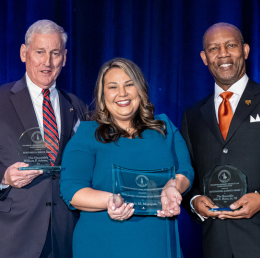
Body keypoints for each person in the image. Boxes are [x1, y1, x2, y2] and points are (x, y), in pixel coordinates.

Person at [60, 57, 194, 258]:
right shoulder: (88, 133)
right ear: (103, 95)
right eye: (113, 87)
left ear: (140, 89)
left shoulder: (164, 128)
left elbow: (185, 171)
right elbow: (72, 190)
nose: (122, 93)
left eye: (129, 84)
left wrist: (175, 186)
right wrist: (110, 200)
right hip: (102, 245)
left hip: (158, 244)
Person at [0, 20, 86, 258]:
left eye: (55, 53)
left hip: (64, 236)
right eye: (40, 52)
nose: (47, 62)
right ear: (24, 53)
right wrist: (4, 177)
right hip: (13, 234)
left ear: (64, 57)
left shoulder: (77, 106)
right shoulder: (1, 101)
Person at [181, 22, 260, 258]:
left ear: (245, 50)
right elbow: (188, 173)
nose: (223, 54)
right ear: (205, 58)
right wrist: (194, 201)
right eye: (214, 49)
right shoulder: (193, 115)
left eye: (231, 45)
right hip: (216, 245)